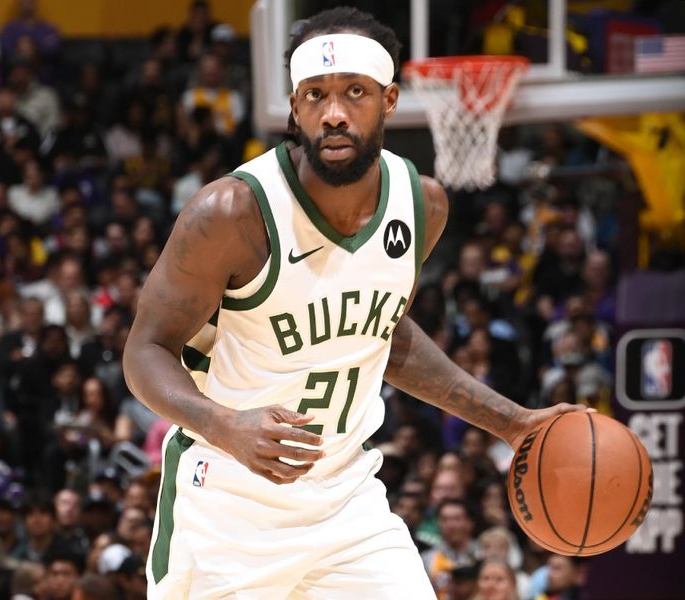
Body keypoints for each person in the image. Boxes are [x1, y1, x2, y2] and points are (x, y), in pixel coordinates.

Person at [123, 7, 586, 598]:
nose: (334, 113)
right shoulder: (232, 214)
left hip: (348, 506)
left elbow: (383, 334)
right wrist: (225, 424)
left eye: (354, 92)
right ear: (294, 108)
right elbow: (144, 351)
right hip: (228, 515)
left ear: (389, 100)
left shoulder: (423, 206)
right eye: (314, 95)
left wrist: (513, 424)